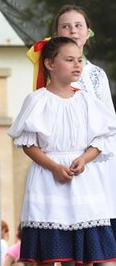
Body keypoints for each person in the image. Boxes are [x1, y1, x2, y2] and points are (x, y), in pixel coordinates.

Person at [8, 36, 116, 264]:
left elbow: (101, 139)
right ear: (50, 64)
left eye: (79, 59)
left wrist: (85, 159)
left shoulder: (87, 101)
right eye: (69, 60)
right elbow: (28, 143)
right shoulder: (37, 100)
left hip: (82, 180)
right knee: (51, 252)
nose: (77, 65)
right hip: (48, 177)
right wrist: (54, 167)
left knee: (81, 253)